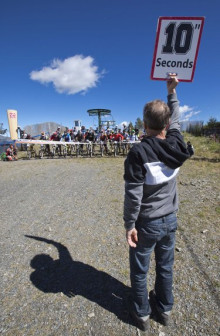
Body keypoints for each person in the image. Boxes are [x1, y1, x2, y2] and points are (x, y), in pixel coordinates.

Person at [123, 74, 190, 331]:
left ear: (143, 123)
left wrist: (130, 224)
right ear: (168, 124)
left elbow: (133, 195)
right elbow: (178, 122)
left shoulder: (138, 153)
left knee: (140, 271)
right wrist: (171, 93)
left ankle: (141, 314)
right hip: (170, 219)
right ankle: (164, 309)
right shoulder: (176, 145)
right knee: (166, 267)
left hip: (146, 222)